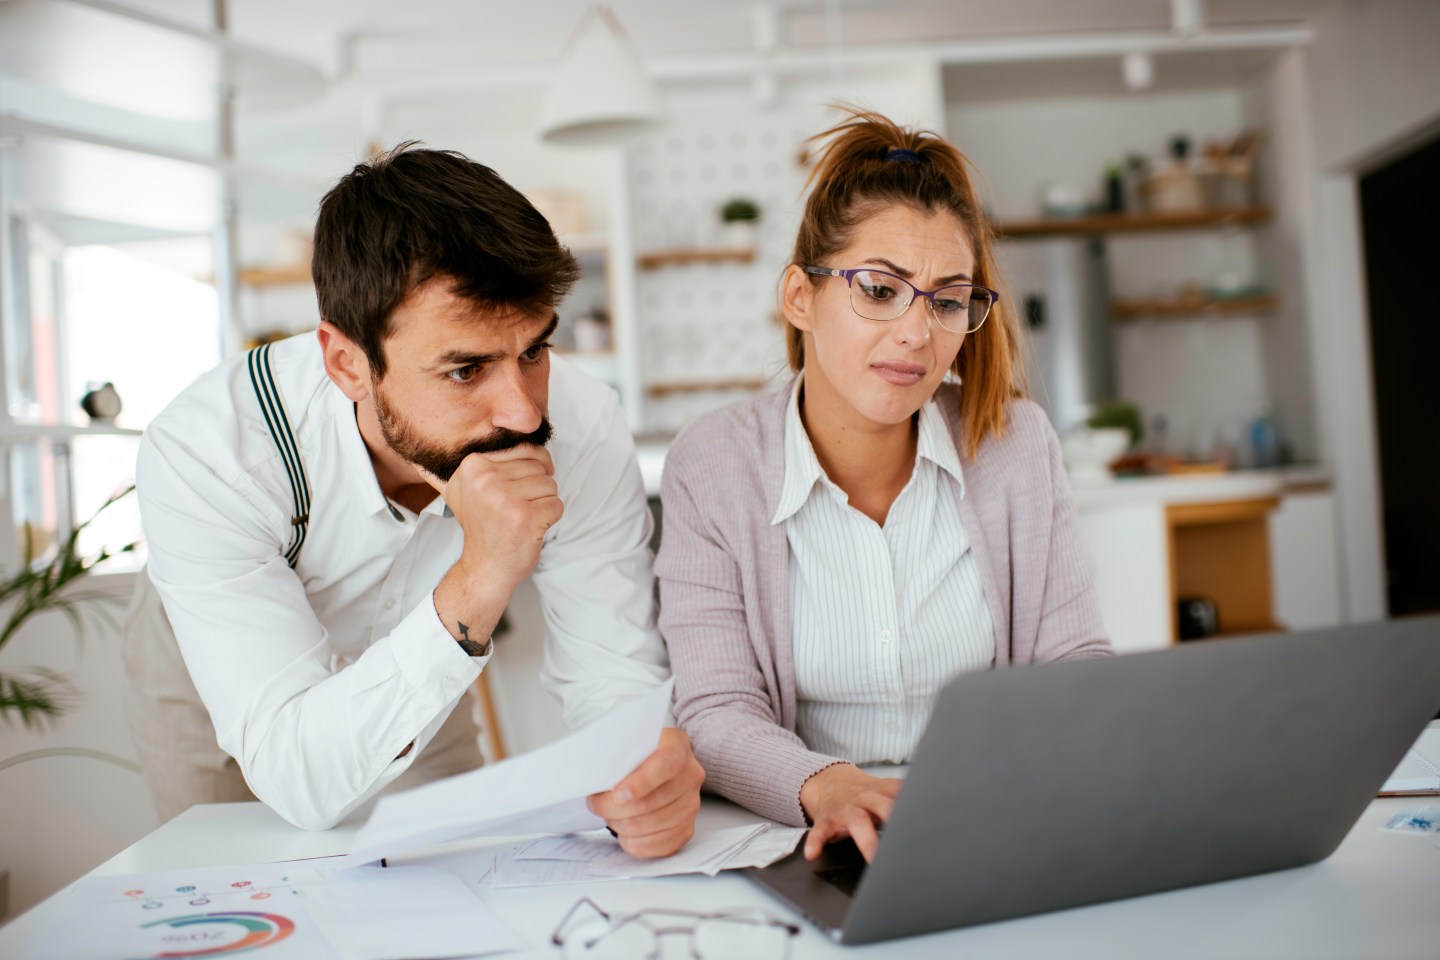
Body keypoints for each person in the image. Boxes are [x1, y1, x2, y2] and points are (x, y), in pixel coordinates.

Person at [123, 144, 703, 857]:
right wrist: (484, 571)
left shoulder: (581, 428)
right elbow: (299, 780)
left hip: (423, 638)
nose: (524, 413)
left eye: (533, 351)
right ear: (347, 364)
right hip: (228, 664)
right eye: (465, 370)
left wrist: (641, 778)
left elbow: (609, 665)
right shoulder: (212, 451)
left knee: (457, 867)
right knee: (232, 873)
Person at [656, 109, 1111, 864]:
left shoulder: (1016, 444)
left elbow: (1074, 662)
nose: (916, 332)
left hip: (999, 821)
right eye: (878, 289)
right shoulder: (713, 465)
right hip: (813, 839)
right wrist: (826, 785)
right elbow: (715, 710)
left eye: (946, 299)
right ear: (800, 297)